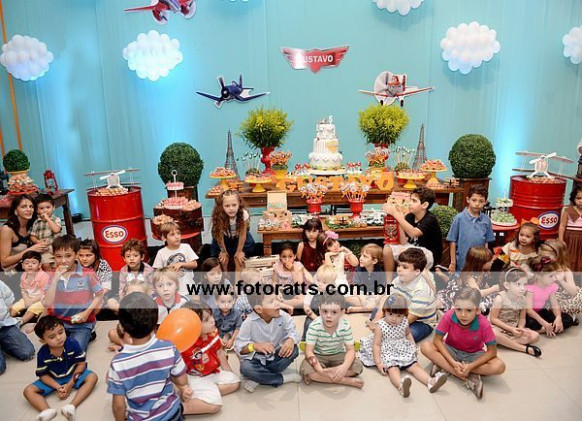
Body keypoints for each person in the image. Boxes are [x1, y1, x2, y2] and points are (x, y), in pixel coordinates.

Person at [107, 292, 192, 421]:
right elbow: (182, 381)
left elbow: (119, 406)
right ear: (156, 320)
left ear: (123, 327)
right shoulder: (169, 348)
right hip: (173, 414)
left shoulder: (118, 363)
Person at [421, 287, 506, 400]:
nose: (463, 315)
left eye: (469, 310)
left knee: (499, 366)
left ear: (477, 310)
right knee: (425, 346)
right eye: (459, 309)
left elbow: (492, 352)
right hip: (451, 350)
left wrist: (470, 366)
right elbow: (437, 340)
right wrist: (452, 362)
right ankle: (463, 375)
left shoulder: (484, 324)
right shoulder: (449, 315)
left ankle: (445, 366)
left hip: (473, 355)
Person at [359, 294, 447, 398]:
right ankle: (401, 385)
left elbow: (408, 334)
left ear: (404, 315)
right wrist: (378, 363)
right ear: (384, 311)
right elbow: (376, 345)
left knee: (414, 366)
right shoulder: (380, 326)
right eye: (390, 314)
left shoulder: (404, 322)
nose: (394, 319)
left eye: (398, 316)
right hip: (386, 350)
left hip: (401, 347)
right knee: (393, 368)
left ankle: (430, 382)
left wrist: (412, 346)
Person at [23, 316, 98, 421]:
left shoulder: (73, 344)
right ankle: (46, 410)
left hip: (73, 374)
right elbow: (43, 375)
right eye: (52, 337)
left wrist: (70, 384)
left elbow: (81, 364)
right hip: (53, 378)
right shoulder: (42, 354)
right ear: (43, 341)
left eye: (61, 332)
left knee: (92, 377)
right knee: (28, 391)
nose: (59, 338)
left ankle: (71, 406)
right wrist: (58, 387)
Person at [43, 236, 104, 351]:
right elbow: (48, 302)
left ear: (76, 255)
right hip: (59, 322)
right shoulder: (52, 275)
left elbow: (99, 294)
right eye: (58, 256)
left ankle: (89, 332)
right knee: (52, 349)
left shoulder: (88, 273)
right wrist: (55, 279)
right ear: (54, 257)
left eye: (68, 256)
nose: (63, 261)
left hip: (82, 323)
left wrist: (86, 313)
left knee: (75, 351)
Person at [180, 300, 240, 415]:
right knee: (214, 406)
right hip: (196, 377)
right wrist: (183, 387)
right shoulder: (186, 345)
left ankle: (203, 393)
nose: (213, 320)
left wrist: (229, 372)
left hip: (212, 372)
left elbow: (220, 353)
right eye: (206, 320)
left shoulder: (212, 333)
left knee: (236, 382)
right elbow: (177, 369)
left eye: (211, 316)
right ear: (193, 326)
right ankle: (179, 408)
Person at [234, 292, 301, 393]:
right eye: (271, 301)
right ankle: (281, 379)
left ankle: (259, 378)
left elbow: (294, 331)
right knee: (245, 368)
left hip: (275, 358)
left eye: (276, 299)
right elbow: (239, 348)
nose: (277, 303)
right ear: (259, 309)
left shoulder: (283, 316)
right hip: (256, 360)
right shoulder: (249, 323)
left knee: (294, 350)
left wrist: (291, 340)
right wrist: (254, 346)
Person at [301, 293, 364, 388]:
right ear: (319, 310)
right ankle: (344, 380)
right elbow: (309, 351)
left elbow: (351, 350)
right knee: (306, 369)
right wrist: (320, 370)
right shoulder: (314, 326)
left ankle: (326, 376)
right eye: (325, 311)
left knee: (357, 365)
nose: (328, 316)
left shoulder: (345, 326)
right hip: (319, 355)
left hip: (338, 354)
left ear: (342, 312)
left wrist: (344, 367)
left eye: (334, 312)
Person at [383, 186, 442, 282]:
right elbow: (403, 241)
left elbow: (414, 233)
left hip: (429, 255)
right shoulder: (410, 217)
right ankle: (389, 283)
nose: (410, 203)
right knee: (387, 248)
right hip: (413, 250)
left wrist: (396, 215)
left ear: (424, 205)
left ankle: (406, 282)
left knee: (406, 253)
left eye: (414, 201)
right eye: (410, 200)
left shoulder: (430, 219)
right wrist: (399, 218)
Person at [1, 195, 48, 293]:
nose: (28, 209)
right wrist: (31, 249)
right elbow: (4, 262)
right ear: (15, 210)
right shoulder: (7, 230)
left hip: (32, 265)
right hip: (13, 272)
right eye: (23, 207)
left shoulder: (34, 224)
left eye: (31, 206)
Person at [489, 268, 541, 357]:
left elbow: (522, 318)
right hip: (498, 327)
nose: (522, 288)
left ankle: (504, 342)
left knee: (535, 335)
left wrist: (521, 328)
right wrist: (511, 329)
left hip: (513, 328)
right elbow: (493, 319)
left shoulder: (523, 300)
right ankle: (523, 348)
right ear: (507, 285)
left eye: (525, 284)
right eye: (518, 284)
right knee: (493, 333)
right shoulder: (500, 298)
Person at [391, 248, 437, 342]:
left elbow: (413, 316)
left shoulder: (422, 289)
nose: (399, 269)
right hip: (403, 313)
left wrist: (393, 327)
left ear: (417, 271)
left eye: (404, 267)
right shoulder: (397, 280)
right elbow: (390, 299)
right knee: (377, 311)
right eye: (399, 265)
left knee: (407, 335)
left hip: (421, 321)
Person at [447, 185, 495, 273]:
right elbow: (452, 241)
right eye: (474, 200)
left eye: (481, 201)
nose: (477, 204)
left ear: (485, 202)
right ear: (468, 200)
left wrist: (486, 261)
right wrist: (453, 263)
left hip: (479, 264)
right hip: (461, 264)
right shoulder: (459, 218)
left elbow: (486, 243)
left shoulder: (486, 220)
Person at [437, 246, 499, 313]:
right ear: (480, 263)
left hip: (472, 296)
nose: (492, 262)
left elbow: (483, 284)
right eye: (489, 261)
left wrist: (490, 290)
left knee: (493, 297)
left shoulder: (483, 272)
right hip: (461, 296)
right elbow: (477, 293)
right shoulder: (469, 276)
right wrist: (493, 288)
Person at [525, 255, 575, 335]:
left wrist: (558, 318)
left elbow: (555, 305)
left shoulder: (551, 285)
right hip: (529, 314)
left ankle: (545, 329)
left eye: (555, 275)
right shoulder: (530, 288)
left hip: (541, 311)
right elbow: (529, 311)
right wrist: (544, 323)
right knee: (530, 322)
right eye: (551, 276)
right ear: (538, 276)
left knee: (568, 319)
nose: (554, 278)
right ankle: (544, 328)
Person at [210, 190, 255, 277]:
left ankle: (237, 282)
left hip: (239, 237)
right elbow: (219, 236)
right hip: (223, 238)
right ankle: (225, 278)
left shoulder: (243, 214)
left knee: (239, 259)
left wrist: (239, 251)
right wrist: (223, 251)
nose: (231, 208)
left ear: (239, 204)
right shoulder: (219, 216)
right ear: (221, 206)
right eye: (227, 206)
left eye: (234, 205)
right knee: (223, 260)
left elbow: (242, 234)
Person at [538, 239, 582, 320]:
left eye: (548, 255)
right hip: (547, 297)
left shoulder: (566, 271)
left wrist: (561, 281)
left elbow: (573, 292)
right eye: (541, 255)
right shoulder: (540, 268)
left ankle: (567, 315)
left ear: (558, 256)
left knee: (579, 294)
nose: (544, 258)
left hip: (562, 298)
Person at [153, 222, 199, 296]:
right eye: (172, 234)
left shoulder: (186, 247)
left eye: (178, 233)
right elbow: (157, 272)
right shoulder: (161, 252)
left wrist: (181, 264)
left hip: (189, 289)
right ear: (164, 238)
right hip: (171, 292)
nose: (177, 237)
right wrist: (168, 270)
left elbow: (194, 264)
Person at [107, 239, 153, 312]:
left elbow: (152, 289)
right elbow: (121, 289)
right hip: (128, 298)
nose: (131, 258)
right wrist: (124, 301)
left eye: (135, 255)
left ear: (142, 257)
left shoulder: (148, 270)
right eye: (128, 256)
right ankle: (126, 310)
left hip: (144, 298)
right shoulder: (123, 270)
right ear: (124, 258)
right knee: (110, 302)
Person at [0, 278, 35, 375]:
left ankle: (6, 343)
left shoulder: (0, 284)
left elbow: (9, 303)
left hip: (5, 325)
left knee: (27, 353)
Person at [107, 279, 151, 352]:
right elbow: (110, 303)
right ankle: (129, 346)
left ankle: (128, 347)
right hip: (129, 335)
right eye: (130, 294)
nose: (134, 297)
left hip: (144, 337)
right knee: (112, 333)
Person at [9, 250, 49, 330]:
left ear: (39, 265)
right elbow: (23, 289)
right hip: (28, 297)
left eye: (33, 263)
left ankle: (21, 322)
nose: (30, 265)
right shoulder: (24, 275)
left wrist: (31, 301)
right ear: (23, 265)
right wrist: (26, 299)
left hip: (41, 299)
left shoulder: (43, 276)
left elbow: (44, 293)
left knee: (32, 309)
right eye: (27, 263)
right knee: (15, 307)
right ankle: (7, 319)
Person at [272, 242, 312, 310]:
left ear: (294, 256)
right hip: (281, 290)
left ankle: (283, 303)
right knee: (270, 297)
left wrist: (292, 270)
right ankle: (283, 303)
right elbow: (274, 282)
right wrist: (277, 292)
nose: (287, 259)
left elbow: (299, 282)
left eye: (290, 256)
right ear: (280, 257)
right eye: (284, 257)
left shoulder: (298, 266)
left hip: (294, 290)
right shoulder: (277, 266)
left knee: (302, 299)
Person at [29, 194, 62, 269]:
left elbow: (56, 230)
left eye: (48, 207)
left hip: (57, 248)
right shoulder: (37, 222)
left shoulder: (56, 219)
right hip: (44, 250)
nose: (45, 210)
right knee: (46, 265)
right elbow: (32, 235)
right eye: (41, 208)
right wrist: (37, 241)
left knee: (60, 264)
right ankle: (50, 276)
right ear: (37, 210)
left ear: (53, 207)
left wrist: (48, 219)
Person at [350, 243, 384, 313]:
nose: (361, 258)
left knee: (382, 300)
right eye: (361, 255)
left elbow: (382, 289)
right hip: (360, 295)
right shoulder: (358, 270)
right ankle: (369, 307)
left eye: (365, 256)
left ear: (374, 261)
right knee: (348, 298)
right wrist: (362, 298)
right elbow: (355, 288)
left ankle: (359, 309)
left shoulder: (379, 271)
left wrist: (378, 298)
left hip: (373, 296)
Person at [78, 239, 113, 305]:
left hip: (100, 296)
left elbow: (106, 286)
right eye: (81, 255)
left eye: (88, 255)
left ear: (96, 255)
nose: (84, 259)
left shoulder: (102, 265)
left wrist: (91, 296)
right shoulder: (77, 266)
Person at [559, 186, 582, 272]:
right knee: (570, 258)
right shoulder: (568, 211)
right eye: (578, 198)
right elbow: (562, 225)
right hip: (570, 239)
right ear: (573, 198)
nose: (581, 201)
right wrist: (561, 240)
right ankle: (568, 275)